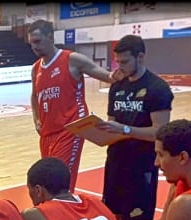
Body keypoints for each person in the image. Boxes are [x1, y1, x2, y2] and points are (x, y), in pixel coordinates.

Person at [28, 19, 121, 192]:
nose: (34, 47)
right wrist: (36, 119)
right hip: (48, 132)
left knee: (60, 183)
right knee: (49, 181)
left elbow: (108, 77)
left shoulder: (72, 59)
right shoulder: (35, 68)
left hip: (71, 129)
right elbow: (34, 96)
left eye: (38, 41)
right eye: (32, 43)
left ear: (51, 37)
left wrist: (123, 71)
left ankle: (66, 215)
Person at [96, 34, 173, 220]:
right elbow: (112, 123)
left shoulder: (157, 88)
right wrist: (96, 131)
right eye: (117, 62)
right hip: (115, 161)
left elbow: (159, 132)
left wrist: (124, 129)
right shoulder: (117, 87)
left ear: (140, 57)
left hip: (141, 165)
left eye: (125, 61)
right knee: (114, 218)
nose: (120, 67)